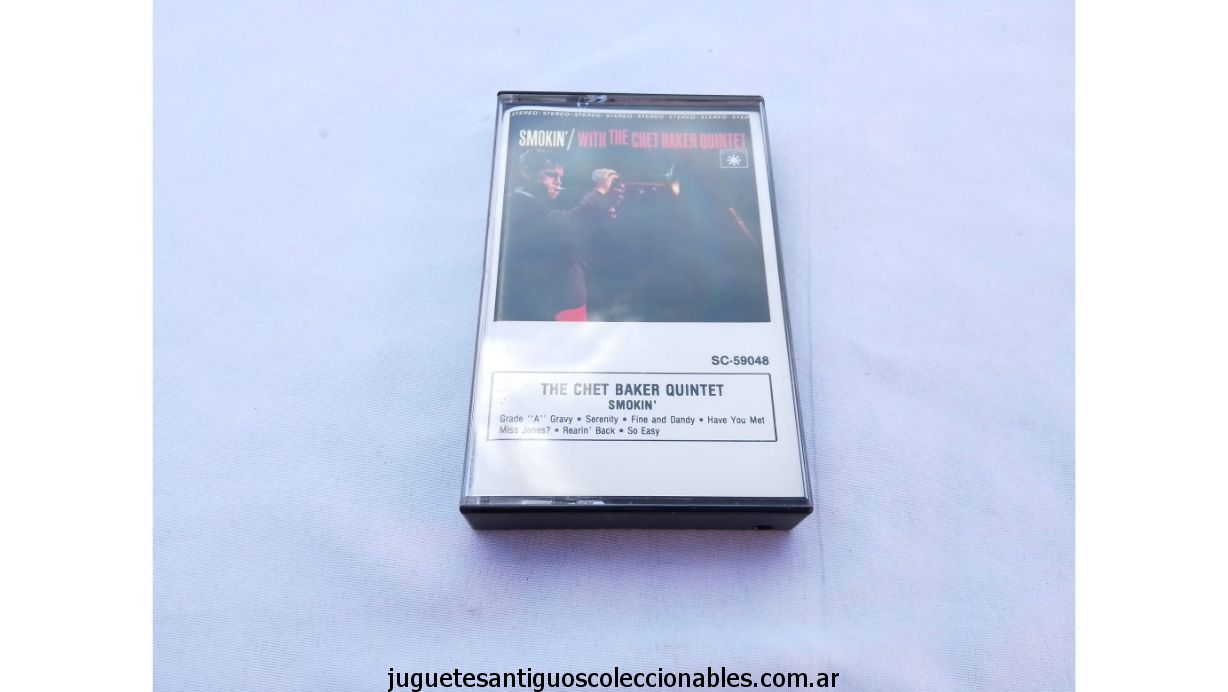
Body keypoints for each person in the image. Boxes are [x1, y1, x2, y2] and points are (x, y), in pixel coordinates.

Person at [495, 150, 607, 321]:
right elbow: (565, 224)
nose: (558, 182)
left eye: (560, 177)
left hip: (562, 309)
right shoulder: (518, 202)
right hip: (548, 312)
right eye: (552, 175)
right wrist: (599, 192)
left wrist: (603, 209)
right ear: (526, 172)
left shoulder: (538, 203)